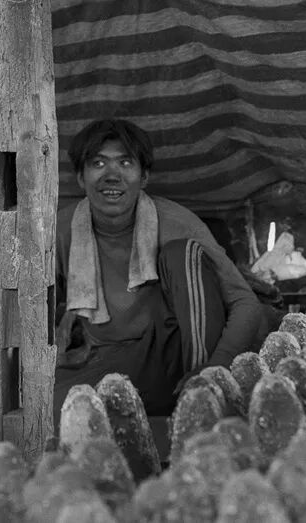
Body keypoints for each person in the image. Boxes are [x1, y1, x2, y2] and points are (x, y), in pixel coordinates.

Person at [54, 118, 265, 415]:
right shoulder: (63, 229)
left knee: (183, 254)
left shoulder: (176, 222)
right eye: (98, 163)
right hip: (110, 358)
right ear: (80, 177)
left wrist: (216, 367)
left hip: (174, 354)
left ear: (144, 177)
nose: (112, 176)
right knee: (46, 410)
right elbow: (29, 309)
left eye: (125, 163)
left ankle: (201, 395)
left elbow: (246, 303)